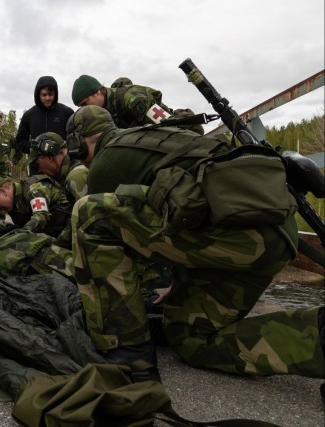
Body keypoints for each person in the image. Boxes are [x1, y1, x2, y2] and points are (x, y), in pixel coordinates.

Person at [66, 105, 324, 380]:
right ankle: (319, 337)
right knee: (191, 340)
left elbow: (121, 246)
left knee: (89, 215)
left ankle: (130, 354)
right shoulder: (154, 135)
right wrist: (178, 284)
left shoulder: (107, 162)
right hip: (276, 238)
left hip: (238, 236)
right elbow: (180, 215)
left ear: (78, 143)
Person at [71, 75, 205, 135]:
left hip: (181, 133)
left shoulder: (133, 99)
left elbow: (168, 126)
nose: (85, 109)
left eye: (85, 103)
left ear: (97, 92)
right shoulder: (105, 111)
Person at [15, 76, 74, 170]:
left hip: (62, 166)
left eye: (50, 94)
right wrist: (36, 147)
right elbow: (20, 141)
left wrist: (64, 150)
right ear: (38, 94)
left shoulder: (67, 113)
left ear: (55, 94)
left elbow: (75, 138)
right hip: (37, 168)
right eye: (44, 94)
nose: (47, 98)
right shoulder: (29, 115)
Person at [0, 175, 71, 239]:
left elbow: (41, 216)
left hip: (67, 232)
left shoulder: (34, 189)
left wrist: (20, 235)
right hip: (53, 235)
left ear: (3, 192)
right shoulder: (15, 205)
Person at [27, 132, 88, 206]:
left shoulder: (76, 177)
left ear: (49, 157)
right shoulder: (72, 170)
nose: (39, 170)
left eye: (37, 165)